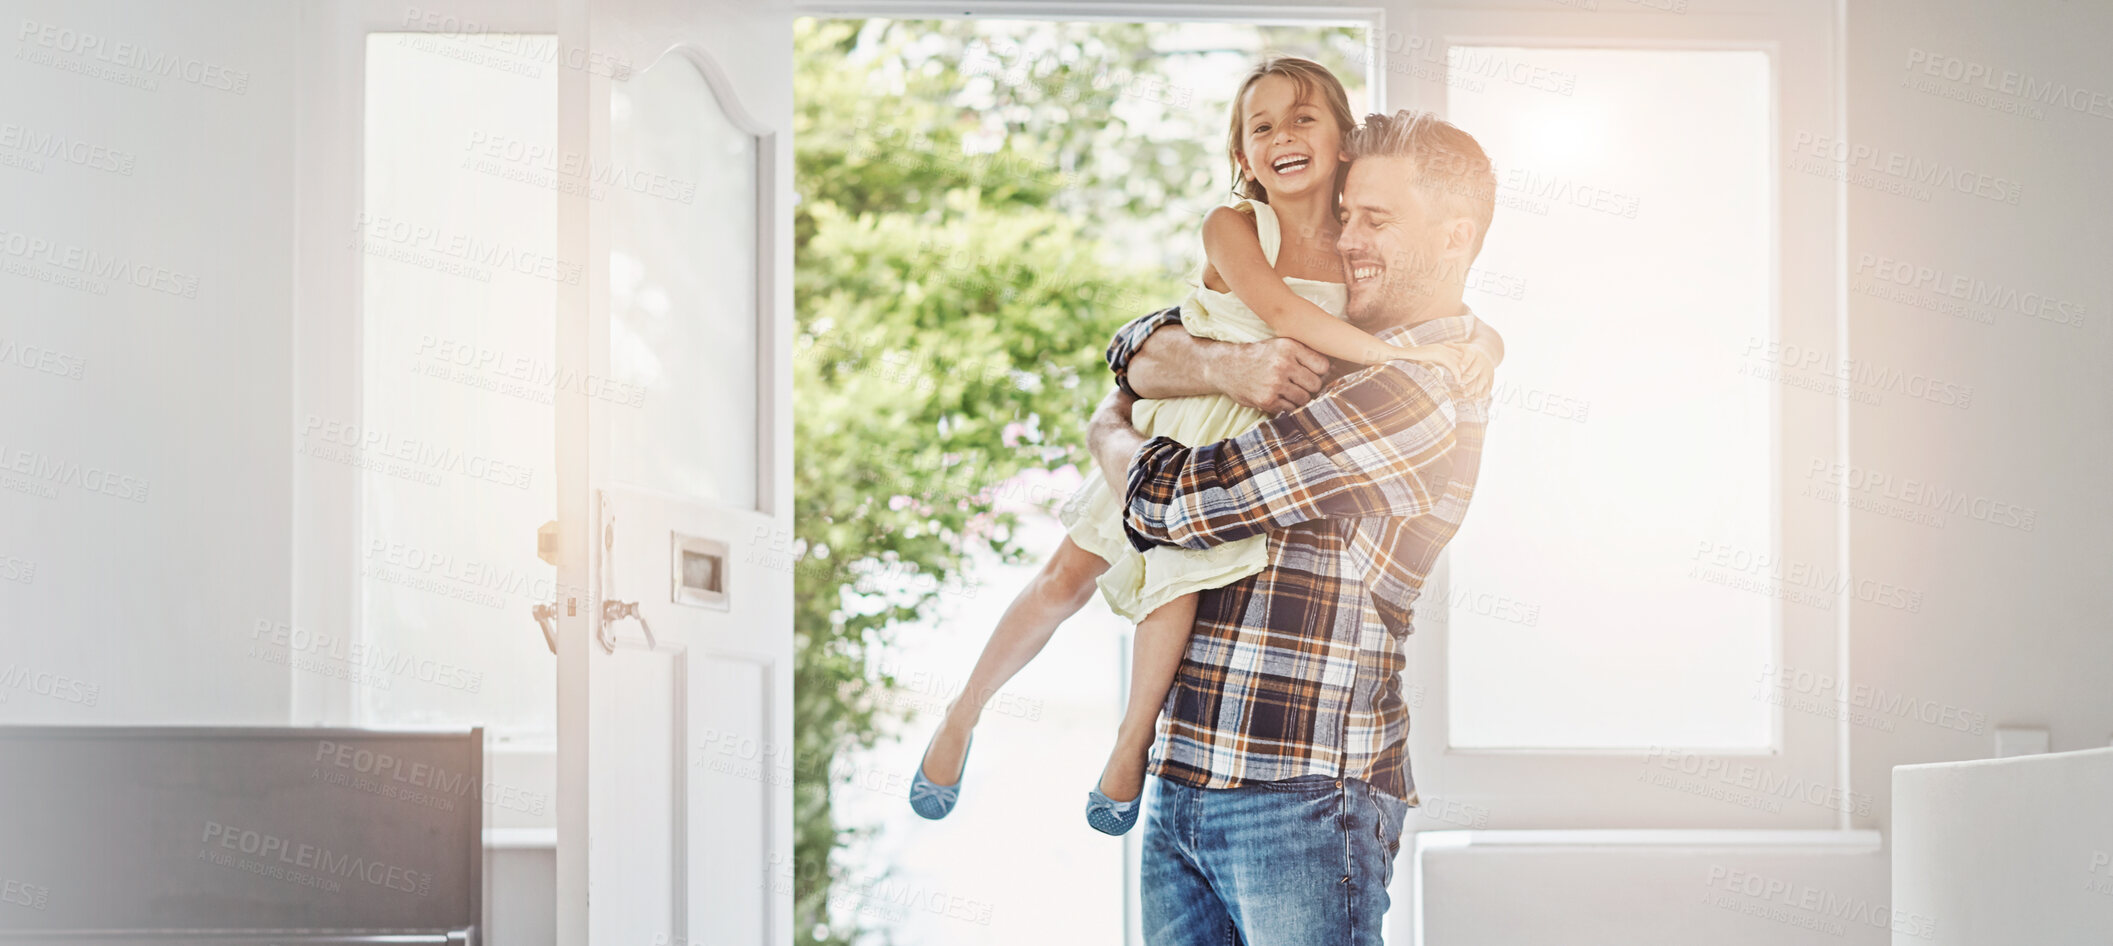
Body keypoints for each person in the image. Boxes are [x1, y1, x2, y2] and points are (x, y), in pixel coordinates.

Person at [908, 58, 1504, 836]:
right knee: (1063, 575)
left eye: (1303, 120)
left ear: (1341, 143)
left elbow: (1167, 486)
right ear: (1239, 156)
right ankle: (963, 710)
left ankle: (1126, 746)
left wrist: (1112, 422)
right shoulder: (1243, 233)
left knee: (1173, 589)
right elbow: (1149, 340)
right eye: (1261, 127)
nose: (1283, 138)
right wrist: (1172, 381)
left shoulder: (1391, 328)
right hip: (1184, 442)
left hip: (1299, 766)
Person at [1082, 108, 1504, 944]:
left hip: (1302, 795)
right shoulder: (1330, 343)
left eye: (1375, 219)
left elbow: (1177, 503)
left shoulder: (1419, 391)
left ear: (1454, 238)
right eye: (1344, 214)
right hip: (1188, 772)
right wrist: (1202, 364)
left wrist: (1109, 430)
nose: (1346, 239)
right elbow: (1147, 339)